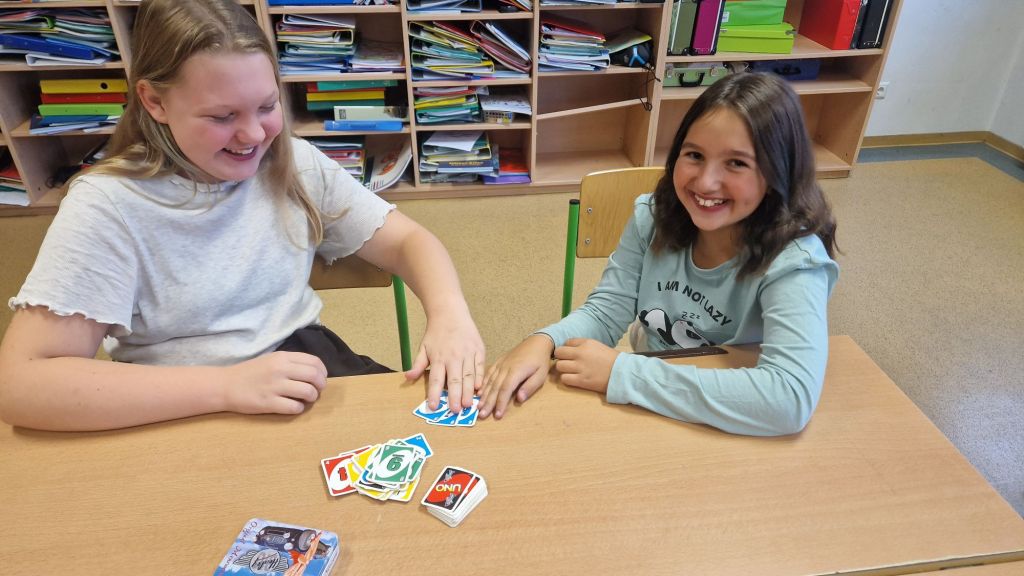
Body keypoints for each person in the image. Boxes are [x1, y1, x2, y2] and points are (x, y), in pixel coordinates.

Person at [0, 0, 484, 432]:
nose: (254, 135)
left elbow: (408, 241)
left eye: (267, 106)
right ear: (155, 101)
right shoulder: (108, 205)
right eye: (222, 116)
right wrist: (226, 387)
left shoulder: (291, 161)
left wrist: (450, 314)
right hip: (173, 399)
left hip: (302, 365)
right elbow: (21, 385)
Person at [478, 72, 839, 436]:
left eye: (737, 163)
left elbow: (789, 399)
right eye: (694, 155)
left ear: (778, 171)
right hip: (659, 396)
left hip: (729, 413)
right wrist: (544, 341)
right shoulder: (653, 216)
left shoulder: (796, 260)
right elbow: (607, 312)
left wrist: (623, 373)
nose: (705, 182)